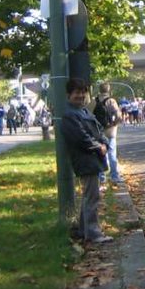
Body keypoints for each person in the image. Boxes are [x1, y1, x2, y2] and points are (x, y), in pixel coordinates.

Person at [60, 77, 113, 244]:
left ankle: (83, 230)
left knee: (89, 196)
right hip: (85, 160)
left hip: (93, 159)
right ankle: (93, 233)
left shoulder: (83, 111)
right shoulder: (70, 115)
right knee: (92, 197)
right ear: (69, 94)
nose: (81, 96)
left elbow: (98, 129)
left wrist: (104, 143)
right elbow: (81, 138)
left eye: (83, 92)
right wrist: (99, 147)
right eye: (77, 92)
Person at [93, 82, 123, 185]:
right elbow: (119, 116)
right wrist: (114, 124)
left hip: (97, 131)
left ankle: (101, 177)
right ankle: (114, 176)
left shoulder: (94, 101)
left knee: (100, 154)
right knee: (112, 153)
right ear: (109, 90)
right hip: (109, 130)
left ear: (99, 90)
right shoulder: (111, 101)